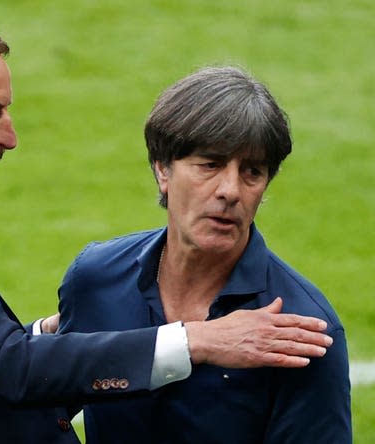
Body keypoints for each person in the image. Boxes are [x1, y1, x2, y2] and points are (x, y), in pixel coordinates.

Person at [0, 9, 333, 444]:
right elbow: (4, 368)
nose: (9, 137)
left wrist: (54, 332)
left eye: (252, 172)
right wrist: (198, 340)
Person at [58, 66, 351, 443]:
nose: (230, 190)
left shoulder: (302, 330)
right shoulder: (95, 280)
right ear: (162, 169)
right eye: (210, 164)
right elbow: (39, 407)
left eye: (252, 172)